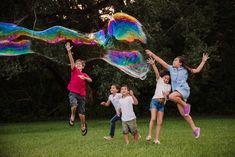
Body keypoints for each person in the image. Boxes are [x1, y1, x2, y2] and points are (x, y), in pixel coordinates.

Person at [146, 49, 209, 138]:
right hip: (177, 94)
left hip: (184, 90)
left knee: (171, 96)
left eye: (176, 60)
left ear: (180, 63)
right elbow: (160, 61)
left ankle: (186, 105)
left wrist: (203, 61)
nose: (173, 61)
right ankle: (195, 128)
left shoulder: (185, 70)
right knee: (184, 114)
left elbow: (197, 70)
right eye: (174, 60)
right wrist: (152, 54)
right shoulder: (171, 68)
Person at [65, 42, 92, 136]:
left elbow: (90, 80)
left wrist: (85, 78)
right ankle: (72, 115)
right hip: (73, 93)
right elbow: (72, 62)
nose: (77, 65)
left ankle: (83, 125)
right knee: (74, 105)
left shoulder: (84, 74)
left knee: (81, 113)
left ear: (83, 67)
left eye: (80, 64)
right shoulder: (74, 71)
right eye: (77, 64)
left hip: (82, 95)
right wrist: (69, 52)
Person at [146, 58, 171, 144]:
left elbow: (167, 94)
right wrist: (153, 64)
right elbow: (156, 73)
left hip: (162, 104)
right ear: (162, 77)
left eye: (168, 79)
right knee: (153, 118)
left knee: (159, 122)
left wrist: (166, 95)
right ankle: (149, 135)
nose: (166, 80)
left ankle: (156, 139)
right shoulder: (159, 81)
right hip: (154, 102)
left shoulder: (169, 86)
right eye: (165, 78)